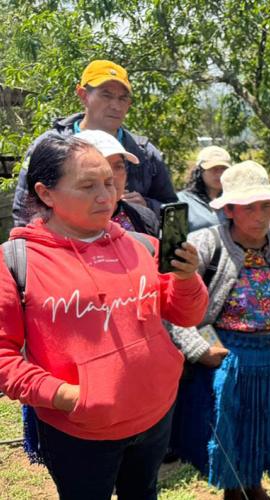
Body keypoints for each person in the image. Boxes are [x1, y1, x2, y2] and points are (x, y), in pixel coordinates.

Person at [0, 135, 208, 500]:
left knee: (143, 493)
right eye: (87, 186)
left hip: (156, 414)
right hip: (80, 430)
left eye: (110, 183)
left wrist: (186, 277)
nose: (105, 197)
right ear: (46, 194)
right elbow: (3, 357)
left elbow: (186, 314)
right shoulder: (16, 262)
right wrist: (66, 396)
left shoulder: (141, 244)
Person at [168, 161, 270, 499]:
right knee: (232, 434)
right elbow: (175, 307)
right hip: (229, 358)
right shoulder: (205, 245)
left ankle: (254, 487)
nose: (260, 215)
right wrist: (202, 348)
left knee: (266, 431)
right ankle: (234, 491)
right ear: (230, 210)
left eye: (265, 205)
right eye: (249, 207)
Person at [12, 59, 178, 226]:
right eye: (106, 95)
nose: (116, 106)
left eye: (123, 98)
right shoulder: (49, 146)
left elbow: (173, 212)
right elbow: (24, 211)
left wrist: (146, 207)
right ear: (83, 95)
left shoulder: (144, 152)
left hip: (132, 248)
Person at [75, 130, 159, 236]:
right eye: (102, 166)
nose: (111, 175)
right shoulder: (65, 225)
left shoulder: (144, 218)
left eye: (118, 166)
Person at [178, 146, 230, 232]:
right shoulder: (182, 201)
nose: (219, 174)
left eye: (223, 168)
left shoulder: (235, 200)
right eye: (213, 169)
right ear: (199, 172)